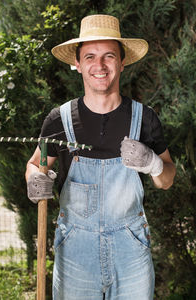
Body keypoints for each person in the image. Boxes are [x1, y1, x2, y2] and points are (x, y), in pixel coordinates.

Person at [26, 14, 176, 300]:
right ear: (78, 64)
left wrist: (154, 164)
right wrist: (34, 179)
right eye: (90, 56)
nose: (100, 65)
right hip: (75, 252)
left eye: (109, 56)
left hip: (130, 250)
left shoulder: (144, 118)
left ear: (121, 62)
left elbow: (167, 179)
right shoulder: (59, 120)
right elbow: (36, 164)